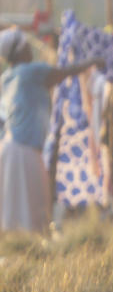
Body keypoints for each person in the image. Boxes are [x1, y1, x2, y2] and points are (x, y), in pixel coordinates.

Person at [0, 27, 105, 233]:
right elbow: (63, 73)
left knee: (16, 206)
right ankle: (28, 246)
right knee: (32, 204)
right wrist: (92, 62)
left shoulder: (7, 77)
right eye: (26, 45)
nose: (30, 48)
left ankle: (19, 245)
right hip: (24, 150)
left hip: (10, 147)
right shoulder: (30, 72)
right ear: (20, 51)